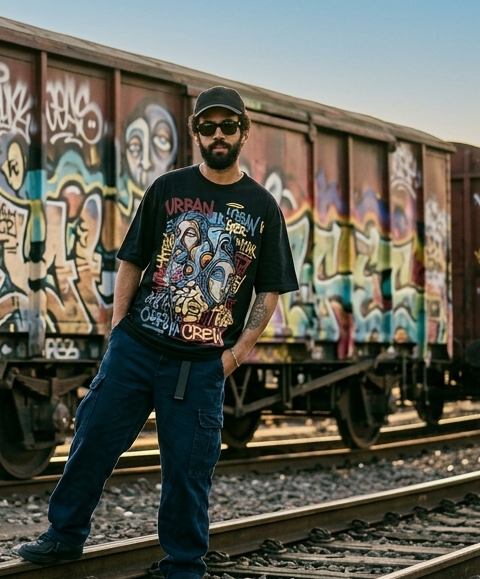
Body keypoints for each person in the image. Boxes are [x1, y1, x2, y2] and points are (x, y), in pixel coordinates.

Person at [16, 86, 300, 579]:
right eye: (207, 127)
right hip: (138, 349)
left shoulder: (262, 208)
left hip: (199, 365)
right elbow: (131, 260)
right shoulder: (167, 189)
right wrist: (118, 331)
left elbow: (269, 292)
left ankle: (184, 565)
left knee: (188, 473)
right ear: (195, 133)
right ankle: (63, 537)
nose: (218, 135)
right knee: (92, 440)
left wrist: (232, 358)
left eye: (227, 126)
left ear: (243, 132)